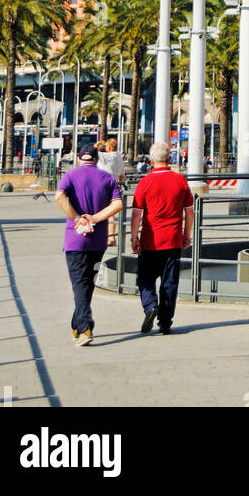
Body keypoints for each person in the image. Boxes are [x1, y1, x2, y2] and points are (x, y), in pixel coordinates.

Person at [54, 140, 123, 346]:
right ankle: (77, 323)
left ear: (78, 159)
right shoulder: (106, 178)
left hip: (75, 240)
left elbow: (59, 196)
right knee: (87, 281)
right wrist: (96, 218)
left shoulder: (70, 175)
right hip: (98, 241)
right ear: (96, 159)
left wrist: (77, 218)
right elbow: (118, 203)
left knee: (79, 283)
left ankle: (85, 328)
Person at [131, 142, 194, 335]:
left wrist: (134, 238)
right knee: (170, 282)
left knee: (145, 278)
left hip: (150, 240)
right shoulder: (180, 181)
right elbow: (189, 211)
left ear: (151, 161)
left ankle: (150, 306)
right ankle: (165, 322)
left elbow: (136, 214)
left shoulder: (145, 182)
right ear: (169, 159)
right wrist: (186, 235)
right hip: (173, 240)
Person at [97, 138, 126, 246]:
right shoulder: (119, 157)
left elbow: (92, 149)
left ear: (109, 147)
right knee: (111, 213)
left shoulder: (105, 156)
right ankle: (111, 237)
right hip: (115, 185)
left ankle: (101, 236)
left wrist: (100, 143)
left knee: (99, 210)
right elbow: (122, 175)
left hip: (102, 185)